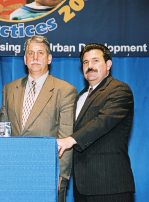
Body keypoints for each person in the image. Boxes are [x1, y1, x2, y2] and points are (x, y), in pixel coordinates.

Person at [0, 35, 77, 202]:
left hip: (47, 173)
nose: (35, 57)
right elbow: (2, 131)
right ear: (24, 59)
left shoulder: (65, 90)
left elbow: (65, 137)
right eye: (30, 53)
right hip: (13, 174)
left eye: (40, 53)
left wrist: (60, 176)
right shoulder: (9, 89)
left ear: (49, 58)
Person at [57, 43, 135, 201]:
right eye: (85, 62)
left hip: (110, 185)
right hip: (82, 187)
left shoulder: (119, 90)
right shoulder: (80, 96)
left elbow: (103, 121)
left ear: (108, 64)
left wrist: (71, 139)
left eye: (95, 61)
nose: (89, 66)